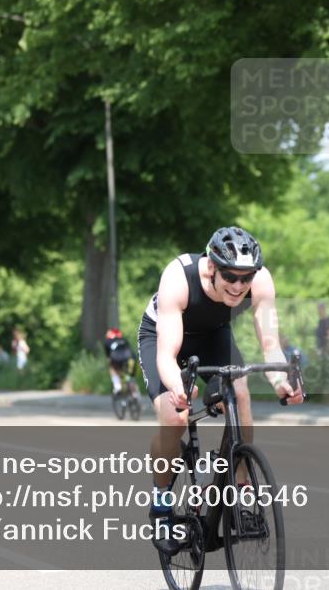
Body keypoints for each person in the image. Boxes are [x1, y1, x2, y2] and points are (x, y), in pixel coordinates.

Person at [137, 226, 303, 553]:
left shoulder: (262, 280)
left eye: (246, 277)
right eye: (230, 276)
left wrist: (281, 381)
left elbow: (270, 343)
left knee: (240, 395)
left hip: (214, 334)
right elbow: (168, 356)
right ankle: (161, 503)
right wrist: (177, 388)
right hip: (163, 337)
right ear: (211, 267)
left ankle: (240, 487)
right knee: (174, 418)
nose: (239, 286)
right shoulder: (178, 277)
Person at [103, 327, 137, 395]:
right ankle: (135, 394)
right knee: (130, 376)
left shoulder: (107, 341)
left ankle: (117, 386)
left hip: (116, 359)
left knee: (112, 368)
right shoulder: (124, 340)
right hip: (131, 358)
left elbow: (108, 357)